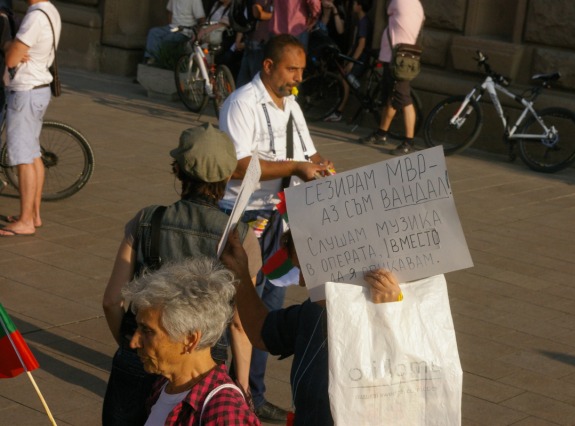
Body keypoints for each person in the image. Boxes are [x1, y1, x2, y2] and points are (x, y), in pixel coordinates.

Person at [102, 123, 262, 425]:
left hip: (137, 363)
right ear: (228, 177)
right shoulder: (240, 236)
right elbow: (241, 325)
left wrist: (132, 345)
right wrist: (241, 385)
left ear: (177, 170)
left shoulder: (147, 219)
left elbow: (111, 300)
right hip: (200, 363)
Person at [219, 33, 334, 423]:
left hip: (281, 217)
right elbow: (237, 165)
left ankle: (256, 391)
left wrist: (322, 167)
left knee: (269, 308)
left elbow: (307, 151)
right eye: (291, 69)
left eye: (302, 70)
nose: (297, 77)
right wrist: (297, 168)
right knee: (236, 309)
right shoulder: (242, 103)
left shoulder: (292, 106)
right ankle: (234, 391)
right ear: (268, 66)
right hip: (246, 215)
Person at [221, 228, 403, 425]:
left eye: (303, 270)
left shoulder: (390, 311)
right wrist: (240, 272)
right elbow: (262, 332)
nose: (299, 282)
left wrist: (391, 315)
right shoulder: (313, 311)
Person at [123, 257, 260, 425]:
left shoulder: (225, 413)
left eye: (147, 331)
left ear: (190, 339)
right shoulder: (165, 385)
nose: (134, 342)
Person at [0, 0, 60, 238]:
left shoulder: (35, 17)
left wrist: (7, 45)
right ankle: (34, 214)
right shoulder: (51, 10)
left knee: (23, 157)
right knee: (33, 153)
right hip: (39, 89)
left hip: (25, 91)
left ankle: (25, 220)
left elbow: (12, 59)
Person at [358, 0, 424, 155]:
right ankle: (381, 134)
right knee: (391, 99)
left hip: (397, 61)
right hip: (397, 58)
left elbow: (387, 10)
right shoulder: (417, 6)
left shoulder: (399, 2)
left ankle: (409, 142)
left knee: (404, 99)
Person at [324, 0, 372, 123]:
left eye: (356, 3)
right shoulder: (361, 21)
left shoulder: (363, 22)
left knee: (346, 81)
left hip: (360, 60)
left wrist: (352, 61)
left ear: (360, 6)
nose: (354, 5)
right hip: (356, 57)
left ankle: (339, 111)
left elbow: (361, 44)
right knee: (344, 78)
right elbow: (355, 44)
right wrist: (348, 57)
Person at [143, 0, 205, 65]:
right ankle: (150, 59)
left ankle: (159, 62)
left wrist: (199, 32)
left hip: (185, 31)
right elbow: (169, 11)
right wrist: (171, 24)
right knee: (153, 32)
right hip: (173, 27)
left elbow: (201, 18)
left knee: (166, 39)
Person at [236, 0, 273, 87]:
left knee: (245, 82)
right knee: (256, 82)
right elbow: (257, 13)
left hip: (255, 40)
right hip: (258, 41)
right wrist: (277, 15)